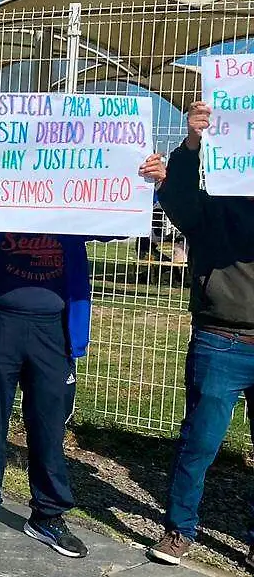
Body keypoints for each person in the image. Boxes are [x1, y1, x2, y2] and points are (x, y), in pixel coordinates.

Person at [0, 146, 165, 557]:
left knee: (49, 426)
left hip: (54, 332)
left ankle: (47, 516)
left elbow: (120, 218)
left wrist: (149, 183)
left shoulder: (72, 203)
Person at [147, 101, 254, 568]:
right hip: (221, 341)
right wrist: (191, 143)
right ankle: (179, 530)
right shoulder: (213, 207)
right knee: (200, 443)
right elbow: (176, 198)